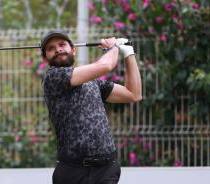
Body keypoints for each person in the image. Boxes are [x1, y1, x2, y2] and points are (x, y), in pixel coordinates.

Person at [40, 29, 142, 184]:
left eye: (62, 44)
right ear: (45, 59)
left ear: (73, 50)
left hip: (105, 169)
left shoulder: (93, 83)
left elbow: (133, 94)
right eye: (51, 48)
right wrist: (113, 47)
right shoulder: (52, 77)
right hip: (72, 171)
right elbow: (106, 65)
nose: (58, 49)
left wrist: (128, 53)